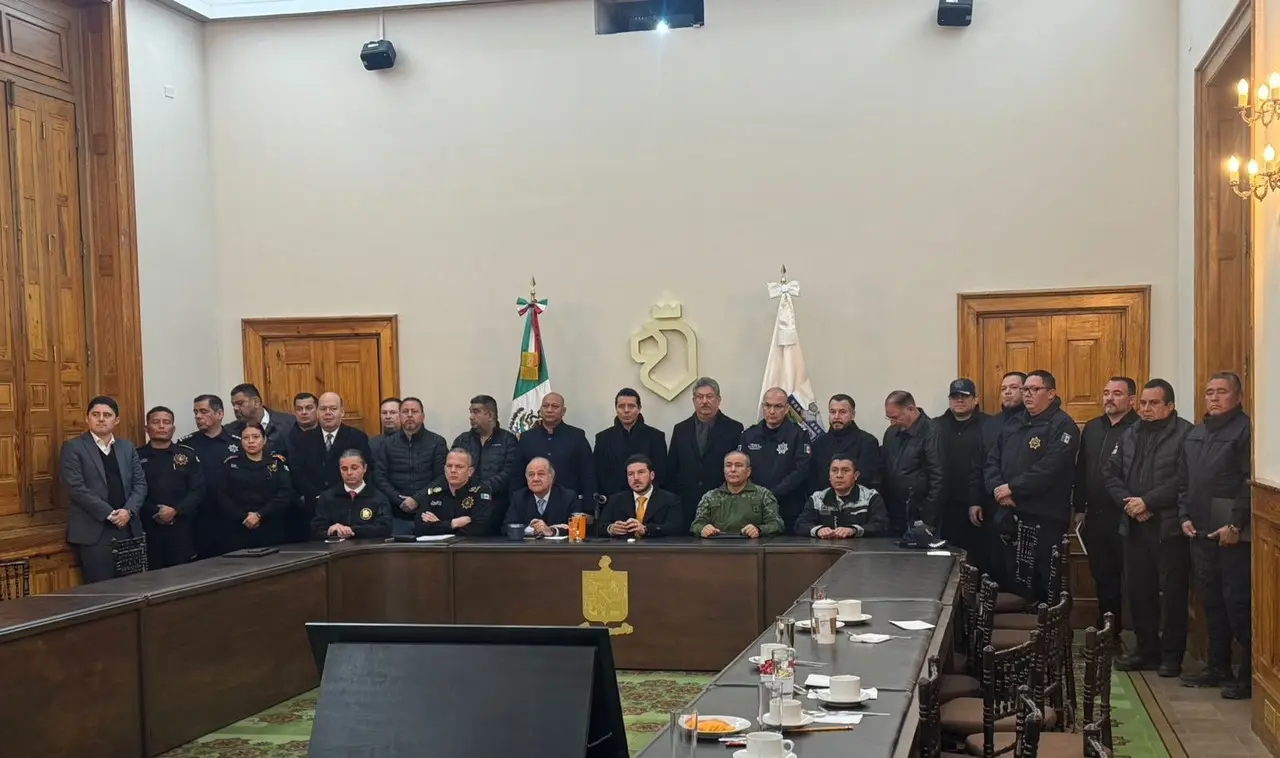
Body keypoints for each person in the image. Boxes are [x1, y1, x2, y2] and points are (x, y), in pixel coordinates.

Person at [1104, 378, 1192, 677]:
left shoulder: (1186, 434)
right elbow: (1111, 472)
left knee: (1171, 593)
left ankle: (1171, 656)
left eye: (1154, 403)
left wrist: (1148, 502)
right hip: (1134, 524)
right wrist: (1129, 504)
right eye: (1142, 403)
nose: (1146, 408)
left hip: (1167, 528)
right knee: (1139, 591)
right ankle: (1146, 650)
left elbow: (1183, 480)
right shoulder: (1130, 433)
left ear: (1170, 406)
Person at [1177, 372, 1252, 699]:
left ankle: (1248, 674)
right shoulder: (1196, 433)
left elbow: (1248, 482)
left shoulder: (1246, 429)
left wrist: (1236, 524)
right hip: (1200, 529)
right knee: (1211, 603)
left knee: (1238, 603)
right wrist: (1183, 517)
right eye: (1209, 392)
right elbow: (1183, 481)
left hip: (1232, 530)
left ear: (1238, 396)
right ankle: (1218, 666)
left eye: (1222, 392)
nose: (1214, 398)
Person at [984, 370, 1079, 601]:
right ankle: (1022, 634)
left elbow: (1050, 469)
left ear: (1051, 393)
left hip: (1045, 518)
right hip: (1011, 515)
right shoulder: (1014, 423)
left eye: (1034, 390)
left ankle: (1050, 636)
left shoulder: (1064, 426)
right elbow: (992, 460)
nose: (1027, 395)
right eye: (1025, 389)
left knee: (1047, 582)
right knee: (1016, 582)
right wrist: (999, 489)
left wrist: (1013, 488)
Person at [1075, 376, 1140, 634]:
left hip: (1125, 515)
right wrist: (1079, 507)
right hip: (1095, 515)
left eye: (1117, 393)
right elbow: (1081, 470)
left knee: (1131, 579)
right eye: (1106, 393)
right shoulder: (1092, 428)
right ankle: (1107, 631)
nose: (1109, 398)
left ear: (1131, 400)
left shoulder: (1138, 429)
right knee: (1103, 577)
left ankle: (1134, 635)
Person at [61, 396, 148, 583]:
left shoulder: (127, 447)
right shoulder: (73, 447)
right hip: (94, 532)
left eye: (107, 415)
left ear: (116, 420)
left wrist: (128, 511)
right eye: (95, 414)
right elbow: (76, 489)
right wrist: (110, 514)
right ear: (87, 418)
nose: (101, 419)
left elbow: (140, 483)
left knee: (133, 587)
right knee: (102, 591)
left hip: (128, 527)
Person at [668, 377, 746, 530]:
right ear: (693, 401)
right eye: (699, 397)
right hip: (686, 506)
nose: (704, 401)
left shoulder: (734, 428)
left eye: (709, 397)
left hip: (723, 506)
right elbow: (672, 469)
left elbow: (738, 469)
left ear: (718, 400)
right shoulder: (680, 429)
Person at [293, 392, 372, 540]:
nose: (327, 413)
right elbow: (298, 472)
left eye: (333, 409)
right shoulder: (302, 439)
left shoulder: (357, 437)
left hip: (347, 504)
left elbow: (365, 470)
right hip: (313, 507)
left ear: (342, 412)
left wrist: (338, 494)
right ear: (317, 412)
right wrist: (318, 495)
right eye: (323, 409)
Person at [139, 406, 206, 569]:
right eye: (156, 422)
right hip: (148, 527)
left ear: (173, 428)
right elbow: (132, 491)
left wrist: (175, 511)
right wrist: (155, 511)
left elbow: (198, 490)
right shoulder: (136, 456)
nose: (161, 426)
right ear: (147, 428)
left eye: (166, 422)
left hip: (182, 528)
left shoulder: (187, 455)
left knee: (183, 576)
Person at [739, 387, 812, 532]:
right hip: (755, 507)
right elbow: (741, 469)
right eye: (768, 405)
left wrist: (772, 494)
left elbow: (801, 471)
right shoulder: (749, 435)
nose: (772, 411)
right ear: (763, 407)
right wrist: (758, 496)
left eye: (778, 406)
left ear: (786, 409)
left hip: (789, 508)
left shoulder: (798, 435)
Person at [374, 397, 448, 536]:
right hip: (396, 513)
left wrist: (417, 499)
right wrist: (399, 500)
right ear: (400, 415)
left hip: (430, 510)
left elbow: (442, 478)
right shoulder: (387, 444)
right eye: (405, 411)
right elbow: (379, 478)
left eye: (414, 411)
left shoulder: (437, 442)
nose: (409, 415)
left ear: (422, 416)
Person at [181, 394, 242, 558]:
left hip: (232, 517)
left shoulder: (237, 443)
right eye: (195, 412)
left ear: (219, 414)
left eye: (203, 411)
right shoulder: (185, 446)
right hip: (199, 518)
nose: (198, 416)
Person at [219, 423, 294, 550]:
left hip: (271, 524)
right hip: (239, 525)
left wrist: (260, 515)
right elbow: (222, 495)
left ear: (264, 440)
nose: (251, 441)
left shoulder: (276, 463)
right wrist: (244, 517)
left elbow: (285, 494)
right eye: (246, 438)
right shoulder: (230, 464)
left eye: (255, 437)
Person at [513, 392, 596, 507]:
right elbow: (517, 476)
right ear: (540, 410)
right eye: (545, 406)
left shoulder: (577, 436)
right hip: (532, 504)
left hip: (569, 504)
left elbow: (588, 475)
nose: (549, 410)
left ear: (564, 411)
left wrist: (588, 508)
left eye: (555, 406)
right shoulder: (527, 438)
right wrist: (516, 504)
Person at [934, 379, 989, 551]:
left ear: (975, 399)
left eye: (964, 396)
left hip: (978, 505)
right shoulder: (935, 426)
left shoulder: (989, 425)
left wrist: (977, 500)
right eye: (955, 396)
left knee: (978, 556)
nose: (959, 400)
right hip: (944, 506)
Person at [451, 395, 519, 533]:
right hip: (466, 508)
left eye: (476, 412)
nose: (471, 416)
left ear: (490, 415)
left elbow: (509, 472)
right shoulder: (462, 440)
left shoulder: (508, 440)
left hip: (498, 507)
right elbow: (452, 468)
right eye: (470, 412)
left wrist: (482, 489)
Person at [880, 390, 944, 537]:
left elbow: (939, 478)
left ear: (911, 409)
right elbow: (885, 468)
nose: (892, 422)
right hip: (894, 511)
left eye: (896, 417)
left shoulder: (933, 432)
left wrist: (929, 517)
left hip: (920, 512)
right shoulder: (891, 433)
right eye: (888, 418)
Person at [690, 451, 784, 538]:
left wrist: (759, 530)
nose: (733, 469)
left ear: (748, 471)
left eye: (738, 465)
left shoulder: (763, 495)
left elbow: (776, 524)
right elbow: (696, 524)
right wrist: (703, 529)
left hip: (752, 550)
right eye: (728, 465)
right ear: (724, 470)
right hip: (718, 548)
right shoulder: (710, 497)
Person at [594, 388, 668, 499]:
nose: (626, 410)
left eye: (631, 406)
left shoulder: (655, 437)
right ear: (616, 409)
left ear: (639, 409)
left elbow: (661, 474)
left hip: (647, 502)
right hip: (613, 503)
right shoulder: (603, 438)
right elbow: (598, 474)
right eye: (621, 406)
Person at [795, 454, 889, 539]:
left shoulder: (871, 497)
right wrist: (818, 530)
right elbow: (800, 524)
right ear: (829, 475)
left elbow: (881, 526)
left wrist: (853, 530)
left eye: (845, 470)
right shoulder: (817, 498)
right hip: (827, 549)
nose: (839, 475)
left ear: (856, 475)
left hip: (861, 552)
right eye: (834, 470)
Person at [311, 449, 392, 540]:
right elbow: (316, 529)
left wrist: (352, 530)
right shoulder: (327, 497)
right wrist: (330, 530)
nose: (349, 473)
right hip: (334, 550)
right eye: (344, 469)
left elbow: (384, 529)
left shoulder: (378, 498)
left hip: (366, 550)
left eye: (354, 468)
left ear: (364, 468)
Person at [808, 394, 881, 493]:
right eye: (833, 412)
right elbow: (813, 479)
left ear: (853, 415)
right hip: (823, 503)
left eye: (842, 412)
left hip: (857, 503)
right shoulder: (819, 443)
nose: (837, 416)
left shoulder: (867, 442)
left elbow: (866, 478)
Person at [598, 454, 682, 538]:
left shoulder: (670, 500)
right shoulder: (616, 500)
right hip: (623, 549)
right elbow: (599, 527)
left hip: (656, 549)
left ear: (652, 475)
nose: (636, 478)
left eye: (641, 472)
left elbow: (675, 528)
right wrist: (611, 529)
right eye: (630, 474)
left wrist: (646, 529)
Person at [415, 448, 493, 537]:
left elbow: (480, 528)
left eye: (459, 466)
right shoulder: (433, 493)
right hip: (436, 548)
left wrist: (438, 525)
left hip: (469, 547)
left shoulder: (480, 492)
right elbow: (419, 529)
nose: (453, 470)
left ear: (470, 472)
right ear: (444, 469)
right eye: (449, 466)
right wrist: (453, 524)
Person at [508, 457, 577, 537]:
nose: (535, 479)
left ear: (551, 477)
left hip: (560, 548)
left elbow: (576, 528)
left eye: (541, 474)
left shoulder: (568, 497)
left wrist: (552, 531)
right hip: (528, 548)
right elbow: (506, 528)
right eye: (531, 475)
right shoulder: (519, 497)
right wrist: (531, 530)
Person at [227, 383, 296, 457]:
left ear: (256, 402)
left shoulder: (289, 423)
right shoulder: (230, 431)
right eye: (233, 405)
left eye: (240, 403)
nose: (235, 408)